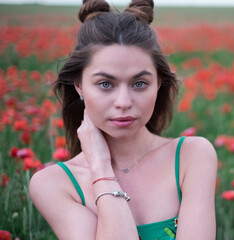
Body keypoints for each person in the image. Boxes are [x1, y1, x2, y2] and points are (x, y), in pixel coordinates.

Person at [29, 0, 217, 239]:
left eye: (139, 83)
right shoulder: (54, 184)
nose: (124, 101)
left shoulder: (192, 156)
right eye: (105, 84)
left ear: (158, 84)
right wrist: (100, 167)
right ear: (79, 85)